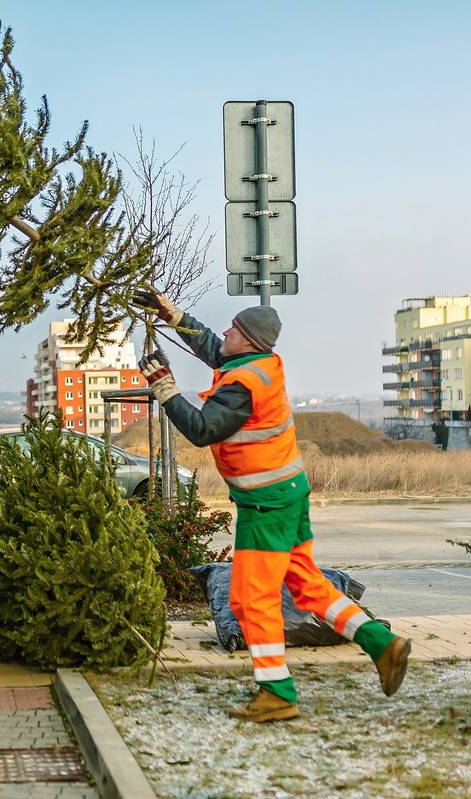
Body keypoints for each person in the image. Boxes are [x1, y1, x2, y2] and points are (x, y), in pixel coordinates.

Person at [133, 291, 411, 723]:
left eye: (233, 328)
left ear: (247, 339)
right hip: (287, 493)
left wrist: (166, 390)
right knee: (306, 585)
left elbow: (204, 429)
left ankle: (276, 693)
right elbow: (212, 346)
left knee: (250, 599)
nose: (224, 331)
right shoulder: (258, 366)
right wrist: (173, 315)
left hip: (265, 505)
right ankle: (380, 643)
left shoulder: (241, 386)